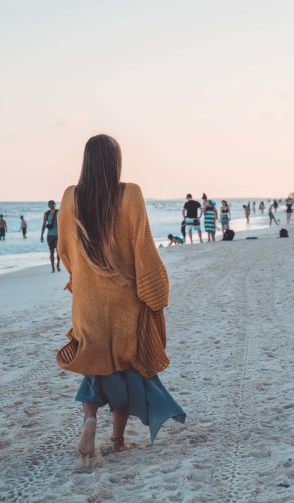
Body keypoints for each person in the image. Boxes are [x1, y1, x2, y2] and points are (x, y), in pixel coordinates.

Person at [55, 134, 185, 459]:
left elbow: (65, 249)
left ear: (86, 160)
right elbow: (143, 246)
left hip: (87, 301)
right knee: (125, 369)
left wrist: (80, 279)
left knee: (93, 362)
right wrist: (154, 288)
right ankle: (116, 440)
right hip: (125, 300)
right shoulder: (131, 194)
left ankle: (88, 420)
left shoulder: (71, 196)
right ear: (116, 161)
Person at [40, 200, 60, 272]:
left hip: (58, 235)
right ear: (49, 206)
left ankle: (57, 266)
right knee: (52, 252)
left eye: (53, 204)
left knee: (58, 252)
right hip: (50, 236)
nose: (52, 206)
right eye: (51, 205)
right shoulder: (47, 213)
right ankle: (53, 267)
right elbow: (44, 225)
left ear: (54, 205)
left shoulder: (59, 212)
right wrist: (41, 235)